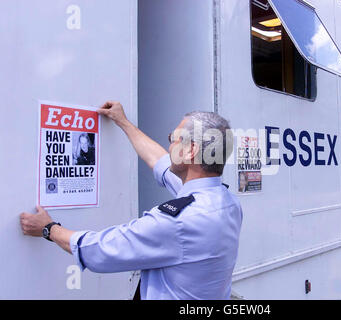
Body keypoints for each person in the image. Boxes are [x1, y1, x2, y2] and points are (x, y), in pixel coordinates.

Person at [20, 101, 243, 300]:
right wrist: (124, 123)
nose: (169, 145)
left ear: (190, 151)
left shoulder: (178, 221)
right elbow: (159, 161)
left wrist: (49, 229)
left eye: (173, 139)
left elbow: (101, 250)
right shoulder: (227, 202)